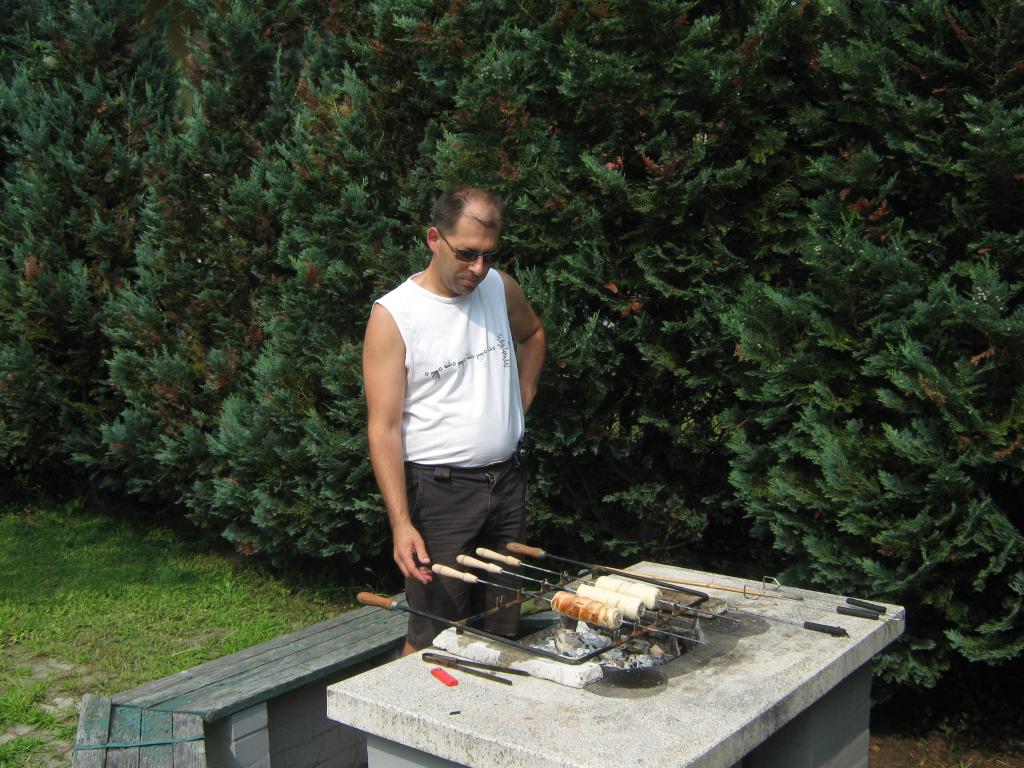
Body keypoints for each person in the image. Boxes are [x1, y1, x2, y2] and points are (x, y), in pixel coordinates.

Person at [363, 186, 546, 655]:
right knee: (432, 636)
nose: (478, 269)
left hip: (506, 485)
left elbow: (533, 334)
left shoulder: (499, 288)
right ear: (434, 238)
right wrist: (401, 524)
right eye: (466, 254)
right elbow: (383, 428)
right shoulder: (395, 316)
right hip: (439, 495)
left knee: (501, 625)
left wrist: (521, 397)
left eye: (488, 255)